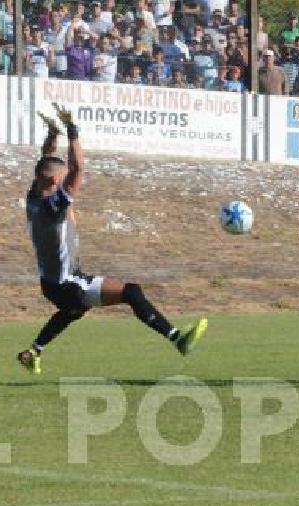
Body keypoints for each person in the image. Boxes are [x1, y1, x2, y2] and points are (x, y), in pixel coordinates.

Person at [17, 105, 207, 374]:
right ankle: (178, 339)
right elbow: (77, 169)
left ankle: (32, 352)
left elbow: (45, 163)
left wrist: (52, 134)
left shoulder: (34, 197)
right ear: (56, 182)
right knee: (131, 292)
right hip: (66, 283)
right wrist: (72, 130)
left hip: (53, 282)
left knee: (72, 312)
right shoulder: (52, 208)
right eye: (60, 181)